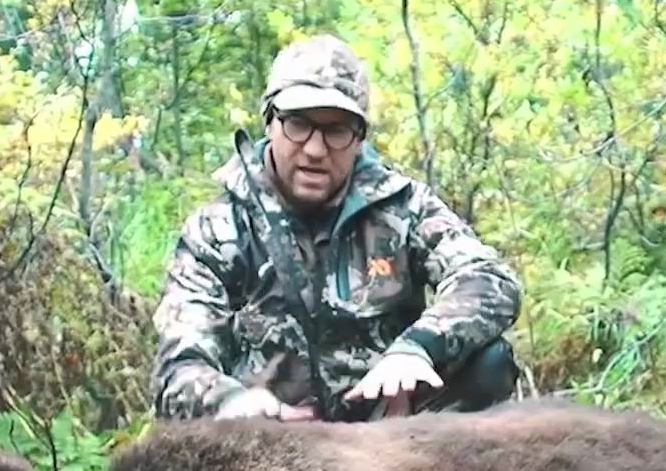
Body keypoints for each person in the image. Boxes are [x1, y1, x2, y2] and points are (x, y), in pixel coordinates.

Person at [151, 35, 523, 423]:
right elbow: (180, 363)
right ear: (269, 122)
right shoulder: (219, 229)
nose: (314, 149)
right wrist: (228, 402)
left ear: (359, 138)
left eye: (336, 130)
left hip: (391, 432)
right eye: (298, 124)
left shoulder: (403, 207)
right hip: (268, 438)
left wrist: (418, 346)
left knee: (490, 361)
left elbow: (489, 278)